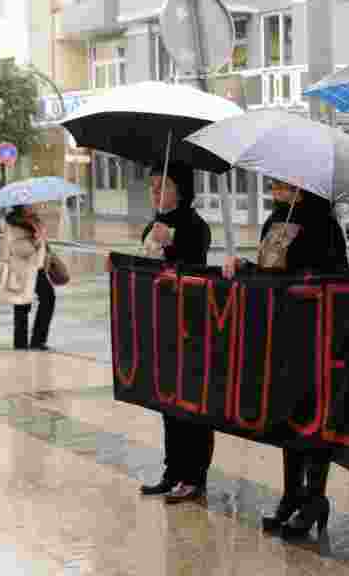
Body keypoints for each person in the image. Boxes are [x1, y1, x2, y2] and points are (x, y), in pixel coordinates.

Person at [223, 177, 348, 540]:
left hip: (316, 334)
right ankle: (292, 494)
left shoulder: (325, 225)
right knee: (287, 416)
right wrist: (244, 266)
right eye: (275, 182)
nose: (278, 188)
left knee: (314, 418)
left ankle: (314, 497)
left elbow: (336, 276)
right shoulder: (273, 221)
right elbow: (266, 270)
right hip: (280, 334)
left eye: (287, 182)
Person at [135, 163, 216, 504]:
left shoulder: (194, 226)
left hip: (191, 326)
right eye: (152, 186)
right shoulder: (152, 224)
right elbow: (143, 264)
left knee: (191, 403)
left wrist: (172, 242)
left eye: (163, 185)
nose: (155, 192)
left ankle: (194, 475)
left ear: (181, 189)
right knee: (167, 400)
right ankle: (173, 471)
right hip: (161, 323)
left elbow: (194, 264)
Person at [0, 204, 55, 350]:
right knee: (34, 301)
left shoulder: (31, 220)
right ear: (22, 207)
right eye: (30, 204)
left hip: (34, 266)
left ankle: (31, 342)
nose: (34, 205)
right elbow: (20, 248)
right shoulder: (14, 224)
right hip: (23, 268)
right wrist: (38, 240)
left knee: (39, 300)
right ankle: (28, 343)